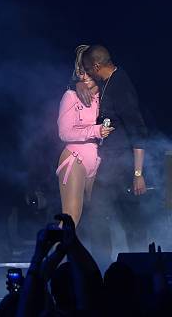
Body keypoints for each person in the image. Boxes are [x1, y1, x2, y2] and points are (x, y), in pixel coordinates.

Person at [76, 44, 149, 267]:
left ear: (97, 66)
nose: (88, 74)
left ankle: (139, 266)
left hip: (124, 167)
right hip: (108, 166)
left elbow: (138, 131)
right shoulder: (108, 82)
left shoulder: (121, 85)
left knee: (130, 220)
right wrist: (80, 83)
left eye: (89, 69)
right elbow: (84, 85)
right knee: (98, 217)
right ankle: (102, 266)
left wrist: (138, 173)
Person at [56, 45, 114, 226]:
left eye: (87, 71)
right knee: (71, 218)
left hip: (95, 160)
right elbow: (64, 133)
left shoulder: (104, 97)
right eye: (80, 72)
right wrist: (96, 130)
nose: (84, 76)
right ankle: (49, 253)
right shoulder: (71, 96)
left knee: (93, 218)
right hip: (75, 158)